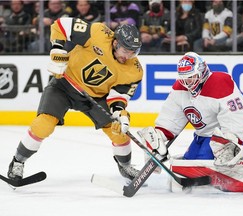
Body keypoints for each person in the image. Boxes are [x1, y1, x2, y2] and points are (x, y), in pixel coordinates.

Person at [7, 17, 143, 182]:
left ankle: (126, 166)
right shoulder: (98, 33)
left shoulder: (134, 70)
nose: (129, 56)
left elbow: (119, 96)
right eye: (126, 50)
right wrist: (58, 49)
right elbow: (61, 25)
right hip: (64, 85)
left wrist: (119, 113)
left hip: (95, 97)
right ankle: (17, 162)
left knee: (119, 131)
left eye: (133, 52)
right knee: (43, 124)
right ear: (115, 43)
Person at [138, 52, 243, 193]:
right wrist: (158, 138)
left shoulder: (220, 82)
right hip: (204, 137)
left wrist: (231, 140)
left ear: (202, 71)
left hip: (241, 136)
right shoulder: (179, 89)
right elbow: (171, 117)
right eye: (184, 78)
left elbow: (236, 116)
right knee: (187, 167)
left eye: (191, 77)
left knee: (202, 166)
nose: (188, 83)